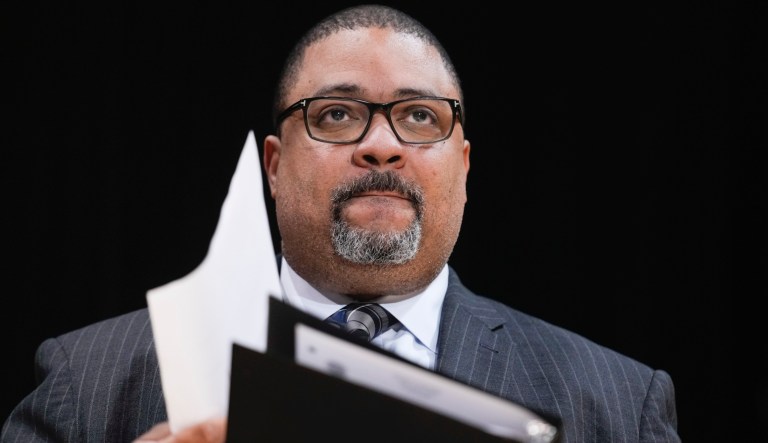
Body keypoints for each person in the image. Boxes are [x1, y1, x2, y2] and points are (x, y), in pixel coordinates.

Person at [1, 4, 681, 443]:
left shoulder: (617, 403)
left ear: (464, 166)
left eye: (420, 116)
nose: (381, 144)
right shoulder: (87, 381)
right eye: (335, 114)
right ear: (274, 165)